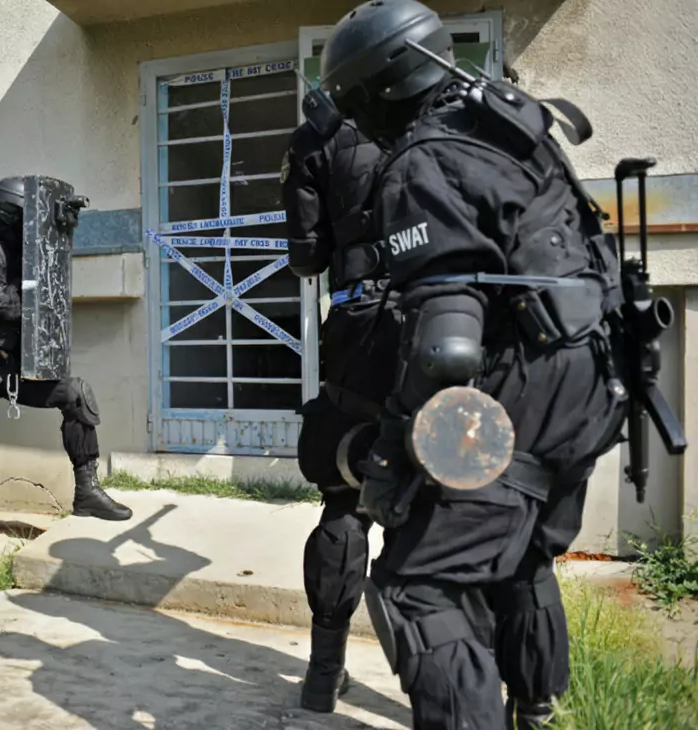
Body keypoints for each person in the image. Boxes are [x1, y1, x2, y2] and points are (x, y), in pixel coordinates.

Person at [319, 1, 629, 727]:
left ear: (378, 87)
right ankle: (536, 709)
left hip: (522, 390)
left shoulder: (422, 160)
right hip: (591, 380)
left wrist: (395, 455)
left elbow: (445, 348)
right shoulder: (508, 124)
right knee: (521, 554)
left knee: (419, 587)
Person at [0, 176, 132, 542]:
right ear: (10, 213)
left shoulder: (28, 250)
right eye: (29, 216)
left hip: (9, 362)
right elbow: (5, 305)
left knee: (76, 395)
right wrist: (41, 292)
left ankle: (87, 494)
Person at [283, 115, 402, 714]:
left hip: (361, 324)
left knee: (345, 498)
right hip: (455, 321)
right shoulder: (458, 121)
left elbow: (306, 258)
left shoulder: (322, 137)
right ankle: (445, 685)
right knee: (441, 503)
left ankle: (322, 678)